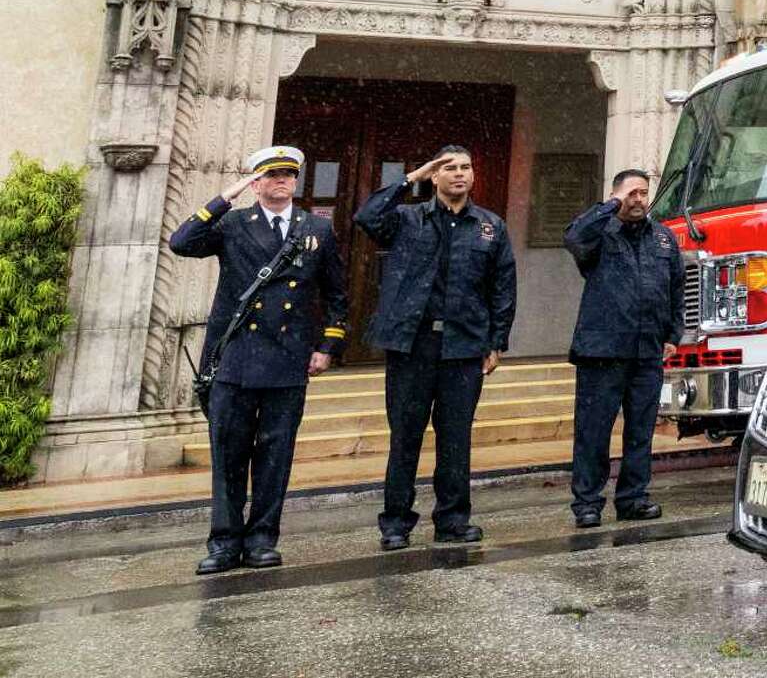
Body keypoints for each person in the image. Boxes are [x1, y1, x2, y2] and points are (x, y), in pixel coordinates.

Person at [167, 143, 346, 574]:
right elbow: (181, 242)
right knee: (229, 455)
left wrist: (327, 347)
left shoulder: (315, 229)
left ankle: (264, 539)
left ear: (295, 181)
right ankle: (225, 543)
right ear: (256, 182)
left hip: (287, 359)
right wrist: (224, 196)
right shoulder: (233, 223)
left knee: (275, 454)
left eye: (287, 175)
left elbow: (337, 295)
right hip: (234, 359)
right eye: (270, 176)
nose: (280, 182)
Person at [356, 148, 517, 550]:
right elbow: (366, 217)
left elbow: (503, 289)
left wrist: (497, 340)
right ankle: (395, 523)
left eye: (465, 167)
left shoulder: (490, 227)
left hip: (463, 346)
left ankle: (453, 520)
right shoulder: (407, 219)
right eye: (449, 168)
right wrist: (410, 178)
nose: (459, 174)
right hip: (413, 344)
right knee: (405, 437)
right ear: (434, 176)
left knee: (456, 439)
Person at [563, 168, 685, 528]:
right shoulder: (598, 233)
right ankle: (587, 502)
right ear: (615, 196)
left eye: (643, 193)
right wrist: (610, 206)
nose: (638, 200)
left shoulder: (663, 239)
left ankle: (633, 497)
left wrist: (672, 336)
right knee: (593, 432)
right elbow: (573, 237)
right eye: (631, 193)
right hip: (602, 351)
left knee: (640, 432)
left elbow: (676, 290)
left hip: (647, 351)